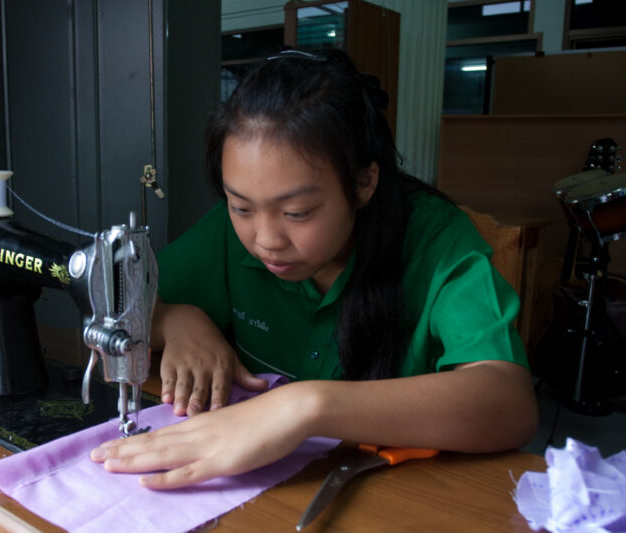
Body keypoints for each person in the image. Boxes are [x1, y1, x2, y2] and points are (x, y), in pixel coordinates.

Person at [91, 48, 538, 489]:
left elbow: (508, 403)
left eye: (298, 213)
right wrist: (174, 319)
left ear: (364, 182)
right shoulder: (227, 235)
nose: (266, 240)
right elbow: (117, 306)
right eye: (240, 206)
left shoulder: (436, 242)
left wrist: (305, 406)